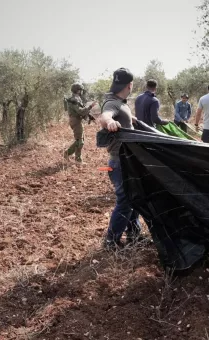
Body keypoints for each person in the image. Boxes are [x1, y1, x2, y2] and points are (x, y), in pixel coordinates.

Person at [99, 68, 143, 249]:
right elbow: (105, 115)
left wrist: (133, 120)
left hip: (127, 160)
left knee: (135, 198)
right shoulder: (112, 103)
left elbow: (123, 115)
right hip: (119, 162)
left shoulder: (121, 102)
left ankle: (134, 235)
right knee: (125, 201)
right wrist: (109, 122)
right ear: (130, 85)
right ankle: (111, 240)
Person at [63, 83, 97, 163]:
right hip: (76, 121)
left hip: (76, 120)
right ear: (78, 90)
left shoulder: (76, 98)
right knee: (79, 141)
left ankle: (76, 159)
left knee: (80, 140)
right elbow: (80, 111)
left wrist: (89, 116)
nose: (81, 91)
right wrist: (90, 106)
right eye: (81, 90)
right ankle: (69, 155)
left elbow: (81, 110)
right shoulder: (75, 99)